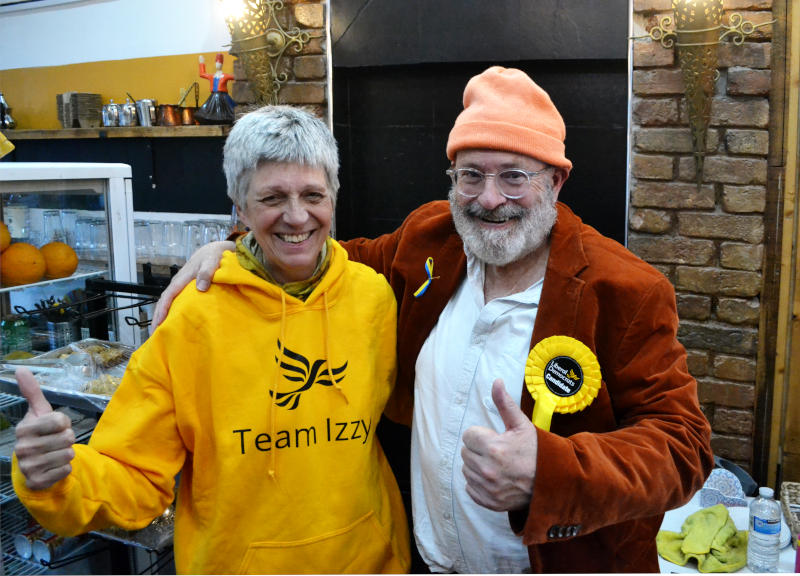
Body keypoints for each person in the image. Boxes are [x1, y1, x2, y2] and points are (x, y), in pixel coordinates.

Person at [152, 66, 714, 572]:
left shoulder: (626, 290)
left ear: (556, 182)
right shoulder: (431, 239)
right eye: (471, 175)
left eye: (513, 176)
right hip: (428, 560)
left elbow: (684, 445)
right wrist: (238, 246)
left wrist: (552, 469)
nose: (489, 199)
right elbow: (321, 249)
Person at [12, 106, 410, 574]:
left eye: (313, 194)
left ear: (334, 198)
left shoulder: (373, 299)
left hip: (370, 561)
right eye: (272, 198)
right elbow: (134, 473)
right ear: (239, 208)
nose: (297, 216)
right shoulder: (193, 317)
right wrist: (57, 478)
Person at [195, 53, 235, 124]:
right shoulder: (212, 76)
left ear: (222, 64)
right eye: (216, 62)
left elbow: (235, 77)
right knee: (209, 109)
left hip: (223, 97)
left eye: (219, 63)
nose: (217, 64)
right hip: (213, 96)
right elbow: (202, 74)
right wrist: (201, 63)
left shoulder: (225, 76)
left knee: (226, 111)